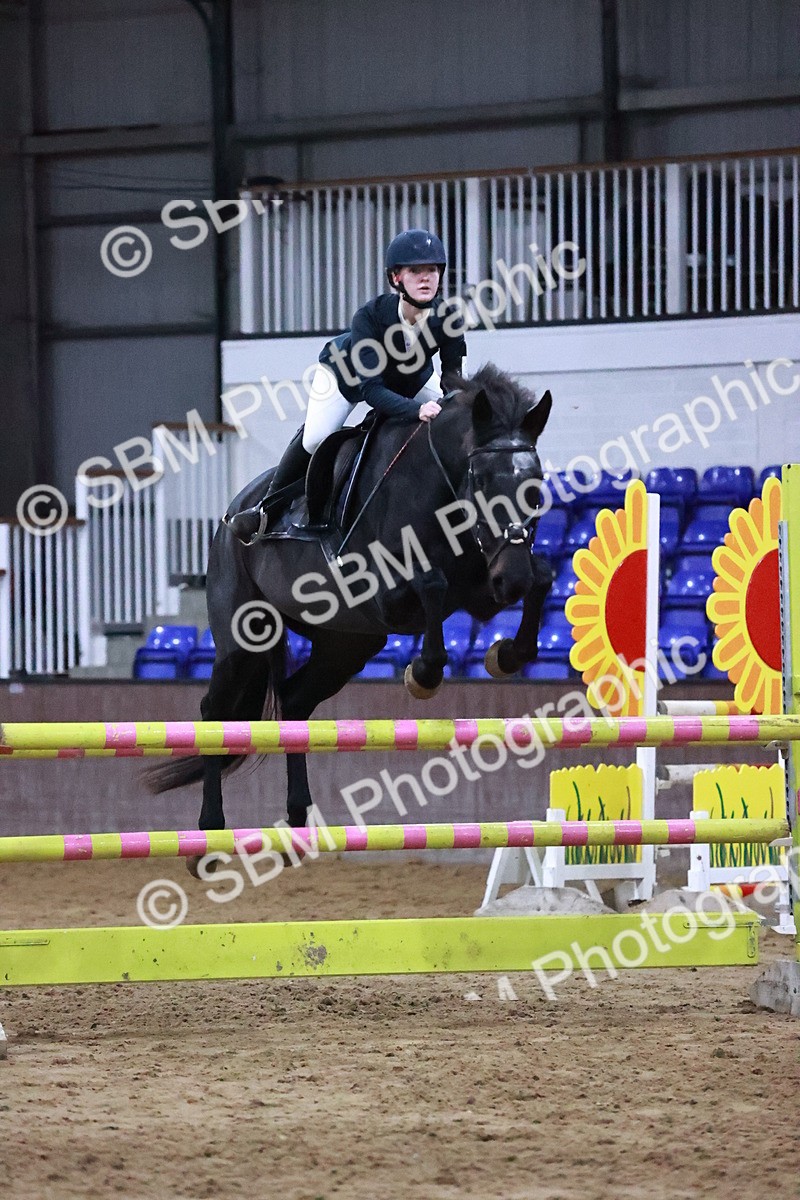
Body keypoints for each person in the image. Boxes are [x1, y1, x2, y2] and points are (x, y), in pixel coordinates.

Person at [227, 228, 467, 543]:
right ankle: (265, 509)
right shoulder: (368, 317)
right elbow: (372, 391)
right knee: (316, 439)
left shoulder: (447, 316)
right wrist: (417, 409)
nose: (426, 279)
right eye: (415, 271)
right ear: (396, 278)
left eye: (432, 270)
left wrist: (459, 405)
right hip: (345, 377)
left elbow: (453, 378)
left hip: (413, 377)